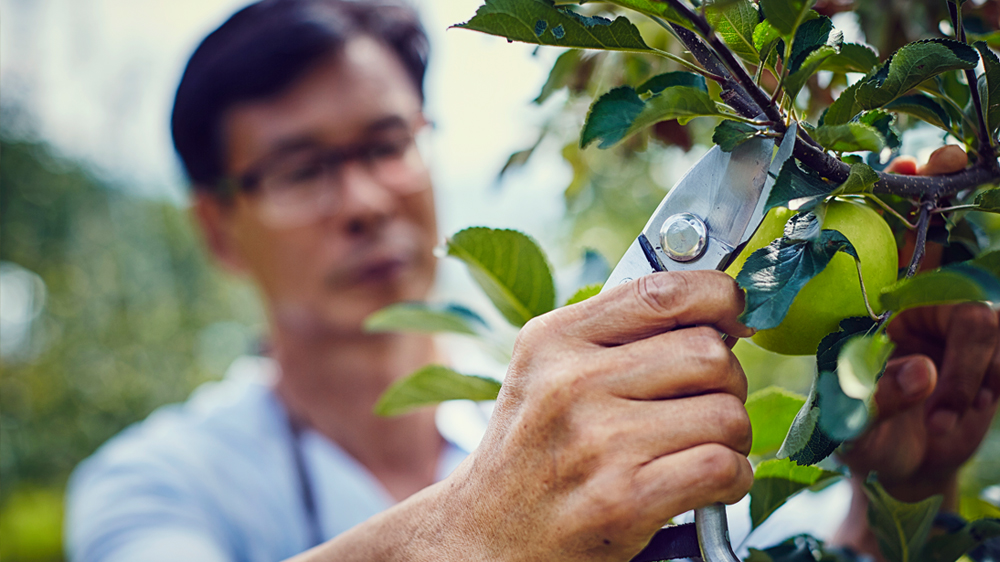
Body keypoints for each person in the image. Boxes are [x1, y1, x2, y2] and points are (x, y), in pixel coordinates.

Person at [65, 0, 1000, 561]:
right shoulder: (159, 484)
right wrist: (475, 530)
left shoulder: (575, 433)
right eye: (302, 168)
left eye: (386, 143)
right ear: (218, 226)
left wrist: (898, 502)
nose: (360, 199)